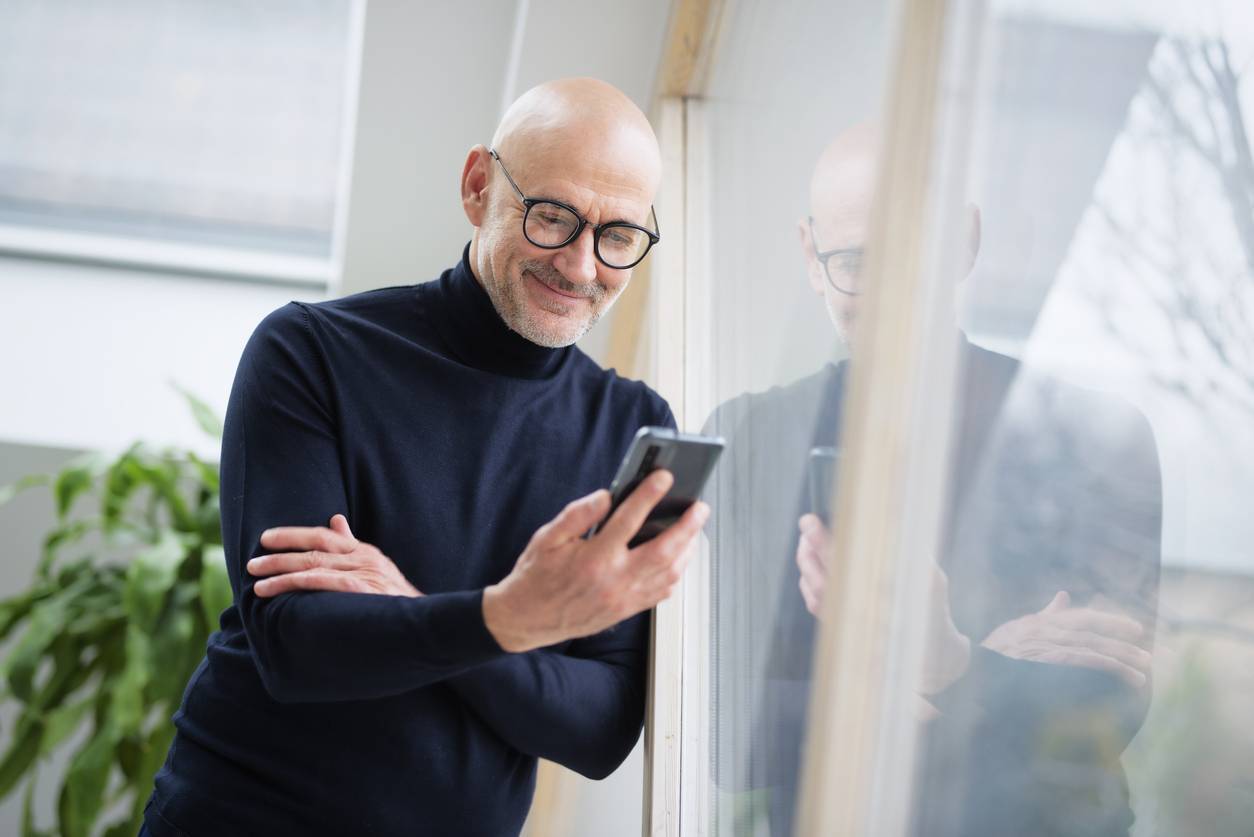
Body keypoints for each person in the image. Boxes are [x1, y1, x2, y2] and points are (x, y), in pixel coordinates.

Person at [140, 78, 710, 837]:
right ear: (479, 186)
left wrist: (415, 608)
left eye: (617, 236)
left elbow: (600, 727)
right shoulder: (309, 351)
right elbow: (300, 646)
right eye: (551, 217)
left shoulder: (635, 426)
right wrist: (513, 620)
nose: (580, 267)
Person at [706, 123, 1162, 836]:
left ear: (964, 240)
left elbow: (1109, 702)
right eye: (855, 260)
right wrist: (937, 672)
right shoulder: (749, 439)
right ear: (810, 255)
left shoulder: (1095, 434)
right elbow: (727, 732)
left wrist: (950, 664)